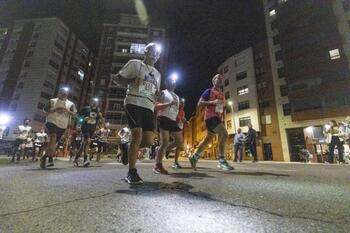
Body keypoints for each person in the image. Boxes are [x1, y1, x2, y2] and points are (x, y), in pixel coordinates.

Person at [111, 42, 162, 184]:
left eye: (157, 53)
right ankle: (132, 172)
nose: (155, 55)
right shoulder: (135, 64)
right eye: (152, 51)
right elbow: (116, 79)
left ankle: (126, 148)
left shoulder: (158, 74)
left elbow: (155, 92)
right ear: (145, 52)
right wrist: (132, 80)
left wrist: (157, 95)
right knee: (137, 135)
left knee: (149, 140)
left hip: (148, 106)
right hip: (133, 102)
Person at [188, 74, 233, 171]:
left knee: (207, 140)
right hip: (210, 117)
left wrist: (224, 106)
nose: (220, 79)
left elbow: (221, 107)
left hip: (217, 117)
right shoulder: (208, 91)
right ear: (213, 81)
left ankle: (194, 157)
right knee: (224, 134)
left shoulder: (222, 94)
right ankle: (221, 161)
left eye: (221, 78)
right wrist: (212, 102)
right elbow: (199, 103)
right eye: (217, 78)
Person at [41, 87, 77, 168]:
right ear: (59, 93)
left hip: (62, 125)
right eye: (62, 93)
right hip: (51, 121)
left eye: (65, 93)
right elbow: (44, 111)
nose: (63, 95)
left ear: (67, 95)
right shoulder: (52, 101)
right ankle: (50, 158)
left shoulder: (71, 104)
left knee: (53, 143)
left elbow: (74, 114)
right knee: (53, 138)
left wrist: (67, 111)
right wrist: (54, 110)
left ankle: (45, 157)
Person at [154, 77, 180, 174]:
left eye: (174, 81)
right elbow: (156, 107)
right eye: (171, 80)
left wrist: (181, 119)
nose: (173, 82)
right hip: (163, 117)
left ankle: (162, 151)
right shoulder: (163, 93)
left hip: (173, 120)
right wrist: (169, 103)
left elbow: (176, 110)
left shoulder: (177, 96)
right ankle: (158, 165)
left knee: (179, 142)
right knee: (165, 142)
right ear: (166, 82)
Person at [73, 98, 103, 167]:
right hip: (85, 128)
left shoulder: (98, 111)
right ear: (90, 102)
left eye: (96, 102)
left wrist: (101, 119)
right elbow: (76, 116)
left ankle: (76, 159)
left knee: (84, 144)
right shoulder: (85, 109)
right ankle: (85, 160)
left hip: (92, 129)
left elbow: (101, 121)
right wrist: (83, 119)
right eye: (92, 101)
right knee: (88, 141)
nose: (94, 103)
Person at [165, 98, 187, 169]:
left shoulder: (182, 112)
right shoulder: (175, 109)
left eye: (183, 103)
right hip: (173, 128)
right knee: (179, 143)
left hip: (180, 129)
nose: (182, 104)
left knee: (179, 144)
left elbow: (183, 118)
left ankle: (175, 162)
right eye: (181, 103)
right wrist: (178, 118)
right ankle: (166, 149)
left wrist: (186, 122)